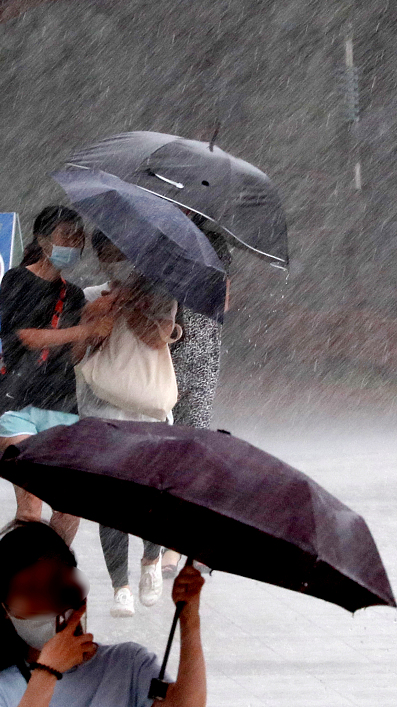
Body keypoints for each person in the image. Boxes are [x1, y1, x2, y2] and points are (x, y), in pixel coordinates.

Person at [0, 519, 206, 707]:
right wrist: (48, 671)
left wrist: (189, 618)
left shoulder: (128, 665)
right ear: (4, 609)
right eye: (30, 591)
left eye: (57, 584)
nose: (48, 600)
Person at [74, 230, 182, 618]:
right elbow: (78, 350)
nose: (113, 261)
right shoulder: (91, 295)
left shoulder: (162, 294)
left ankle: (151, 561)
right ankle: (120, 586)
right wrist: (96, 314)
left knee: (152, 494)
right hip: (103, 411)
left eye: (119, 253)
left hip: (149, 411)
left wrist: (132, 302)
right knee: (111, 502)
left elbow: (156, 339)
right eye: (106, 256)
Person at [0, 206, 108, 546]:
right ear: (42, 240)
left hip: (61, 404)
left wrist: (93, 329)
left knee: (69, 507)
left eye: (78, 238)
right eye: (65, 236)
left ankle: (51, 569)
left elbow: (72, 355)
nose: (74, 244)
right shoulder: (16, 280)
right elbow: (28, 337)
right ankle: (19, 577)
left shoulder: (72, 294)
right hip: (16, 401)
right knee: (31, 503)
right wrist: (83, 329)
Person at [162, 218, 231, 577]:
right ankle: (174, 547)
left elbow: (223, 298)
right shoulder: (182, 244)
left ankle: (180, 547)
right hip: (176, 364)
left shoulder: (174, 242)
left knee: (184, 456)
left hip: (184, 364)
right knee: (184, 455)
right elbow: (223, 299)